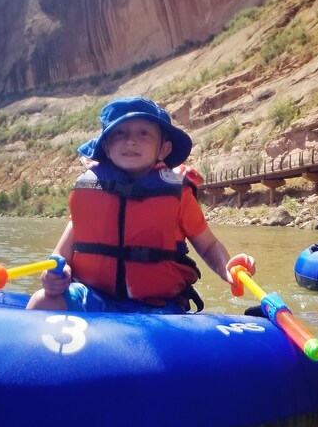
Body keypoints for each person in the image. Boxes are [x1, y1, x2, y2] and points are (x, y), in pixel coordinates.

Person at [27, 96, 254, 313]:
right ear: (106, 147)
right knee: (41, 301)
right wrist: (55, 274)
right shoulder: (90, 191)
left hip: (159, 305)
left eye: (143, 133)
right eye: (119, 133)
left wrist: (227, 268)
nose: (130, 141)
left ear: (163, 149)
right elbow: (60, 255)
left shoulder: (177, 195)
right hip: (95, 297)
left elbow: (208, 246)